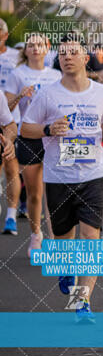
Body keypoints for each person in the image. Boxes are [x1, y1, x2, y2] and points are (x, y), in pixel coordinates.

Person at [21, 33, 103, 322]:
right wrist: (46, 130)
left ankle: (83, 303)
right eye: (62, 53)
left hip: (93, 174)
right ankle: (66, 266)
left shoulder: (101, 92)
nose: (67, 57)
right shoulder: (48, 94)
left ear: (84, 57)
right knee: (65, 240)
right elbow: (25, 128)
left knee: (91, 238)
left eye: (73, 52)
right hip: (58, 176)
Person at [4, 33, 61, 254]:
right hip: (28, 136)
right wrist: (20, 96)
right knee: (35, 192)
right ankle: (36, 235)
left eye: (40, 44)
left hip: (53, 138)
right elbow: (5, 109)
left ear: (47, 49)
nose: (35, 48)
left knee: (54, 191)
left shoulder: (57, 75)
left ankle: (55, 238)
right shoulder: (18, 74)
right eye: (31, 45)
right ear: (25, 50)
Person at [0, 18, 22, 235]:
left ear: (5, 35)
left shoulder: (16, 57)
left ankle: (11, 216)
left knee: (11, 168)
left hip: (8, 115)